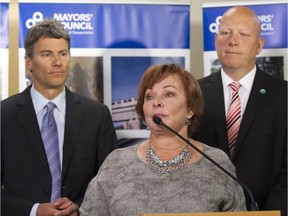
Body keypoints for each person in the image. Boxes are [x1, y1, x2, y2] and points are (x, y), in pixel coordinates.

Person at [79, 63, 247, 215]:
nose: (157, 102)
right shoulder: (116, 162)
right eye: (150, 96)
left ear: (190, 109)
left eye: (169, 94)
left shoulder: (217, 163)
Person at [1, 18, 118, 216]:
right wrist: (34, 210)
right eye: (47, 54)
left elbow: (112, 181)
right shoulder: (4, 116)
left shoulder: (97, 115)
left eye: (63, 54)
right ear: (29, 62)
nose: (57, 62)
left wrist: (80, 207)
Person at [193, 6, 287, 215]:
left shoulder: (284, 95)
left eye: (243, 34)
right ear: (216, 39)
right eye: (225, 33)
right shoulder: (192, 93)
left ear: (259, 45)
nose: (232, 41)